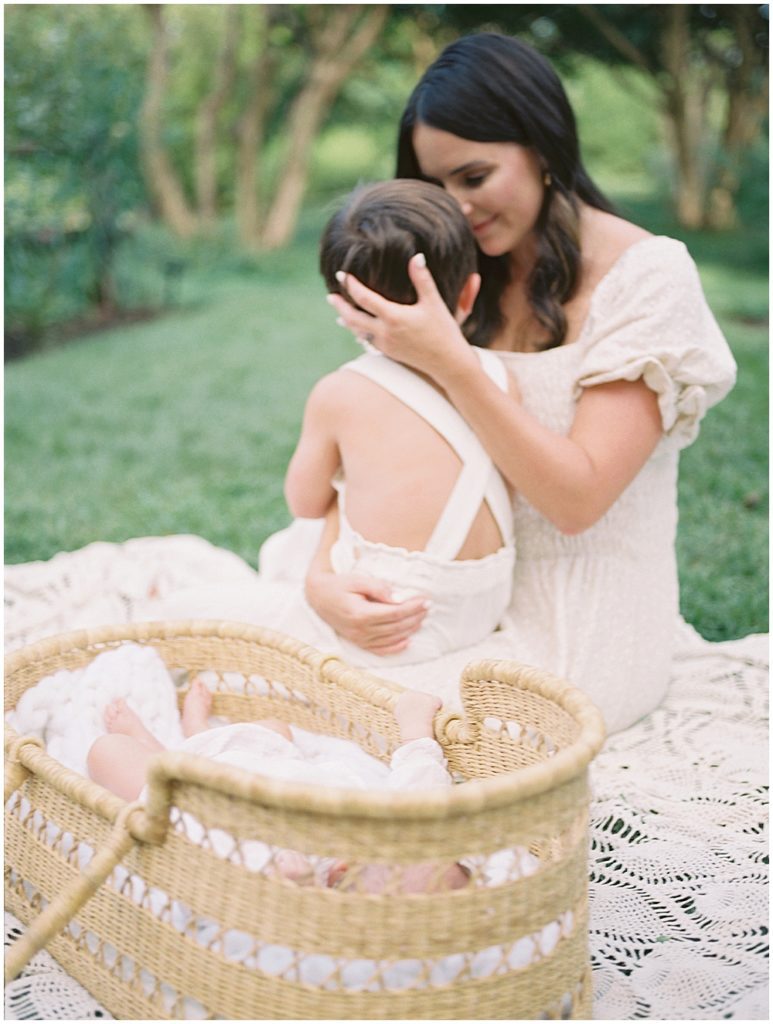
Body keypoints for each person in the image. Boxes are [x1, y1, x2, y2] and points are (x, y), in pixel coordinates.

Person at [313, 32, 738, 733]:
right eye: (434, 187)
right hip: (444, 598)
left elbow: (576, 499)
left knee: (370, 727)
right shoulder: (453, 275)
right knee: (265, 680)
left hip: (578, 620)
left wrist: (449, 361)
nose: (455, 209)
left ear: (542, 151)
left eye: (473, 178)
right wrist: (324, 581)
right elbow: (364, 447)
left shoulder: (647, 277)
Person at [141, 179, 517, 671]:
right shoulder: (500, 377)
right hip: (478, 609)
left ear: (344, 305)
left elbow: (304, 502)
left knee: (175, 618)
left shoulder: (342, 394)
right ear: (470, 290)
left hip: (381, 625)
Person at [86, 679, 469, 894]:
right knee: (277, 728)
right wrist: (414, 725)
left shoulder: (296, 875)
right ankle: (196, 734)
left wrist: (297, 886)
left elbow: (254, 905)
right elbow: (421, 778)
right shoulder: (394, 819)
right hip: (260, 758)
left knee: (106, 753)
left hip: (191, 793)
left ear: (335, 874)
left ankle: (161, 745)